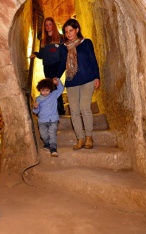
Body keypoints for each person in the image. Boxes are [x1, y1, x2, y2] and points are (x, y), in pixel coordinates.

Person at [58, 18, 100, 150]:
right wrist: (54, 77)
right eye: (66, 32)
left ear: (77, 30)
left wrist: (97, 77)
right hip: (71, 82)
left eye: (71, 30)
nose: (68, 34)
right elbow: (61, 65)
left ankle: (89, 136)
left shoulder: (86, 43)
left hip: (87, 79)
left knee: (84, 108)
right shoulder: (63, 48)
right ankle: (80, 138)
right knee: (74, 111)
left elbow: (93, 60)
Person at [30, 17, 65, 115]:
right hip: (47, 65)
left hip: (57, 64)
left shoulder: (61, 37)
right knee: (50, 86)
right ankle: (54, 108)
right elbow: (42, 55)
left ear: (53, 25)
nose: (48, 26)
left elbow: (64, 53)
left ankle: (60, 109)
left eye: (50, 24)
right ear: (44, 27)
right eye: (46, 25)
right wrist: (36, 54)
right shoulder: (43, 40)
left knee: (56, 84)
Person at [32, 78, 64, 156]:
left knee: (52, 133)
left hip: (53, 119)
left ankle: (53, 149)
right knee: (43, 135)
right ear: (39, 90)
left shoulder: (54, 95)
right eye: (43, 90)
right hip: (42, 121)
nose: (45, 93)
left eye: (47, 90)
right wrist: (35, 107)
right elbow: (36, 112)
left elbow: (61, 89)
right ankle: (47, 143)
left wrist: (58, 82)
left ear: (50, 89)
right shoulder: (38, 99)